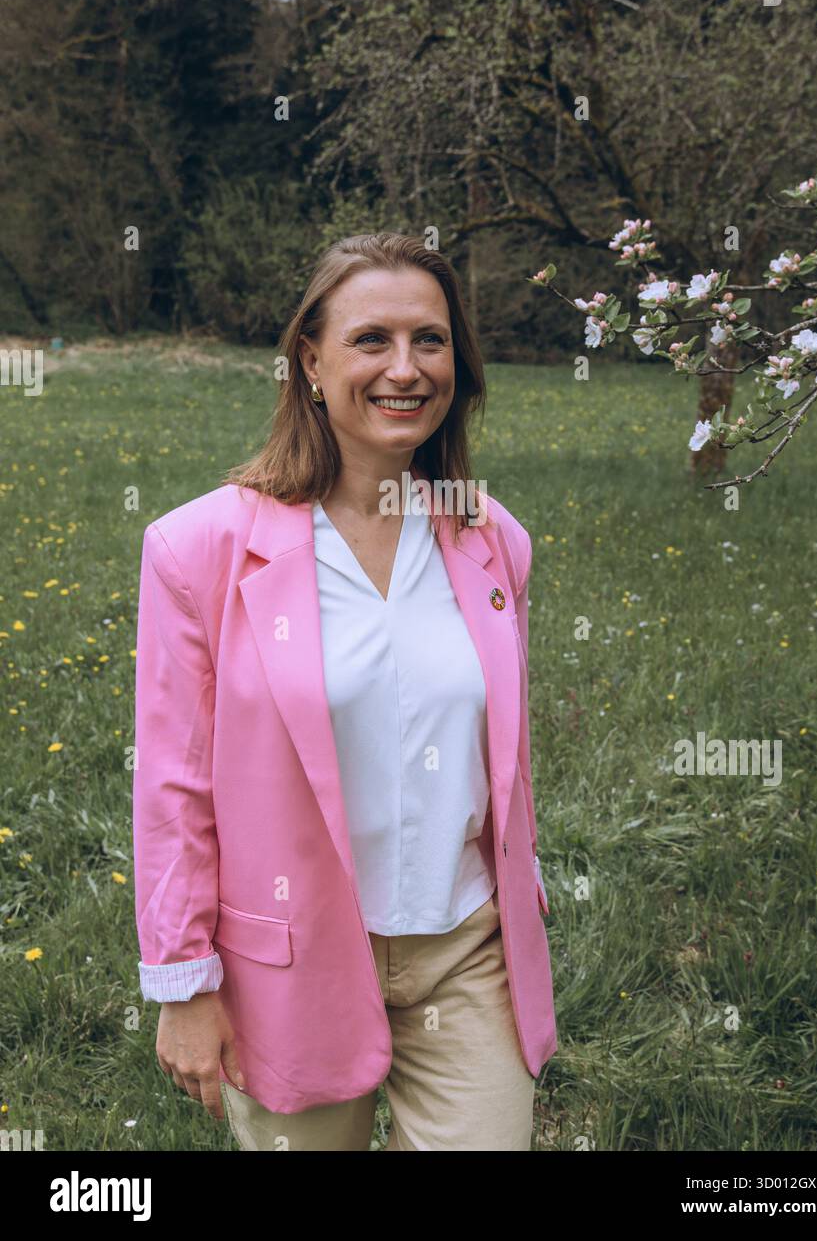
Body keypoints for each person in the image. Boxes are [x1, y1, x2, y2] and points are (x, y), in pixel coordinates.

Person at [132, 232, 557, 1151]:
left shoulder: (492, 541)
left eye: (431, 340)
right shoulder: (197, 549)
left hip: (464, 952)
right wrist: (184, 986)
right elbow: (173, 787)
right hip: (292, 962)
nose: (405, 368)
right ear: (311, 363)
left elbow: (500, 759)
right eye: (372, 340)